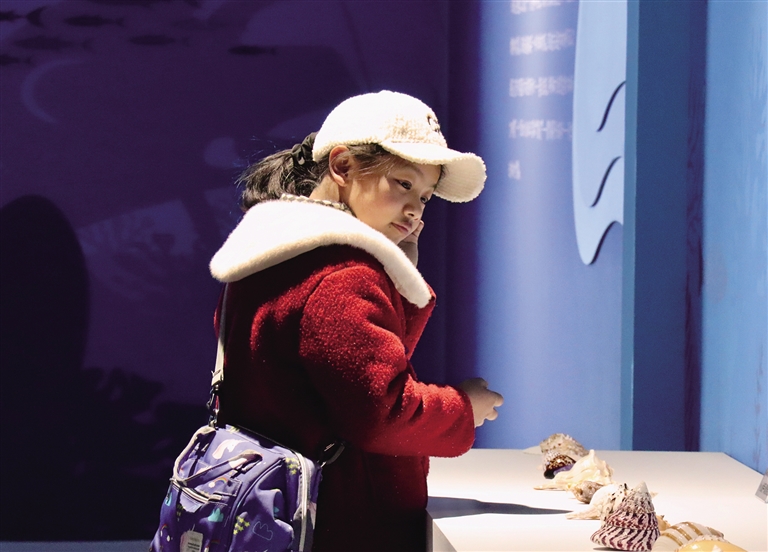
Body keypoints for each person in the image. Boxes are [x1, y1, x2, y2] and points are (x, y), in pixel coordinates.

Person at [209, 90, 504, 551]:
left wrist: (396, 273)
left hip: (274, 512)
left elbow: (336, 379)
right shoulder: (343, 276)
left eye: (425, 197)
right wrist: (464, 408)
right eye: (403, 183)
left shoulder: (271, 249)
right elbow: (380, 415)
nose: (415, 208)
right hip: (339, 521)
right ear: (343, 166)